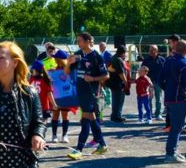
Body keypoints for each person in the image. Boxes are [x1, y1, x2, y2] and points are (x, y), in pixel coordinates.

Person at [65, 32, 108, 160]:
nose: (78, 43)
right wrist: (68, 63)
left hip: (91, 91)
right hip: (81, 90)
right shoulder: (77, 55)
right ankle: (102, 144)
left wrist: (93, 78)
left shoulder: (96, 57)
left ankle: (78, 150)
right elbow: (67, 72)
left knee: (85, 118)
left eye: (80, 41)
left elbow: (106, 76)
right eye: (77, 41)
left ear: (88, 41)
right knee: (91, 117)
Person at [48, 50, 75, 144]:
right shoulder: (53, 69)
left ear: (59, 59)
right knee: (55, 115)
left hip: (66, 96)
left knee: (65, 115)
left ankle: (64, 135)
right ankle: (54, 135)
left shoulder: (69, 69)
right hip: (56, 96)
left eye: (56, 58)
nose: (54, 59)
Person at [142, 45, 166, 120]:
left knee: (158, 99)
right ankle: (148, 114)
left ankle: (158, 114)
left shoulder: (162, 59)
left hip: (159, 82)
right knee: (149, 99)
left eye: (154, 50)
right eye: (150, 50)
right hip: (148, 82)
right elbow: (142, 71)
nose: (152, 51)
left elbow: (166, 70)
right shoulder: (145, 60)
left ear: (157, 51)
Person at [107, 46, 128, 123]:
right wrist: (125, 82)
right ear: (123, 53)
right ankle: (117, 116)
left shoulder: (113, 58)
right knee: (119, 100)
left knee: (115, 99)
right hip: (118, 83)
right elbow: (121, 72)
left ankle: (115, 115)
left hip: (113, 82)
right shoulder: (118, 60)